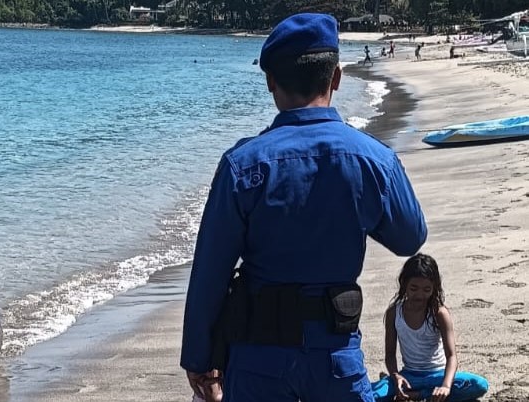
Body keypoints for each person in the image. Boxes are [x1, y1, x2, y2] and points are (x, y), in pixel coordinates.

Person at [180, 12, 427, 402]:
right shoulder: (374, 160)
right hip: (335, 353)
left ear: (270, 82)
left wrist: (198, 356)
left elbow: (210, 270)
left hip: (257, 356)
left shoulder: (242, 164)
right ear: (337, 78)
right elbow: (409, 237)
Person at [371, 254, 489, 402]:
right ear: (404, 284)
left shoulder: (439, 313)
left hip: (437, 375)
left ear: (434, 288)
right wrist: (395, 376)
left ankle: (419, 395)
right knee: (369, 395)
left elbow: (452, 356)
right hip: (408, 377)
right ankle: (415, 393)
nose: (420, 295)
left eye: (426, 289)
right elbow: (389, 354)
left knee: (478, 385)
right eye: (414, 288)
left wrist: (445, 386)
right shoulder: (394, 313)